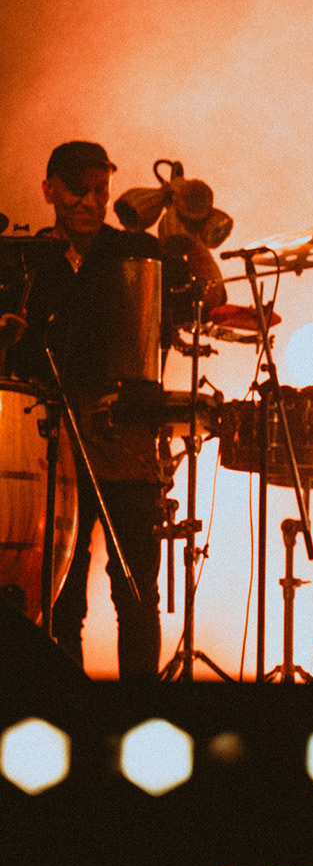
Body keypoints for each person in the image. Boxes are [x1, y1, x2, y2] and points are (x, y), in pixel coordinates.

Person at [0, 142, 167, 679]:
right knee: (61, 593)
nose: (91, 202)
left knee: (136, 591)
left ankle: (140, 708)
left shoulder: (136, 252)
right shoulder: (28, 261)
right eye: (78, 189)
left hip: (124, 441)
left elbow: (190, 302)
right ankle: (68, 706)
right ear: (49, 190)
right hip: (55, 446)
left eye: (101, 190)